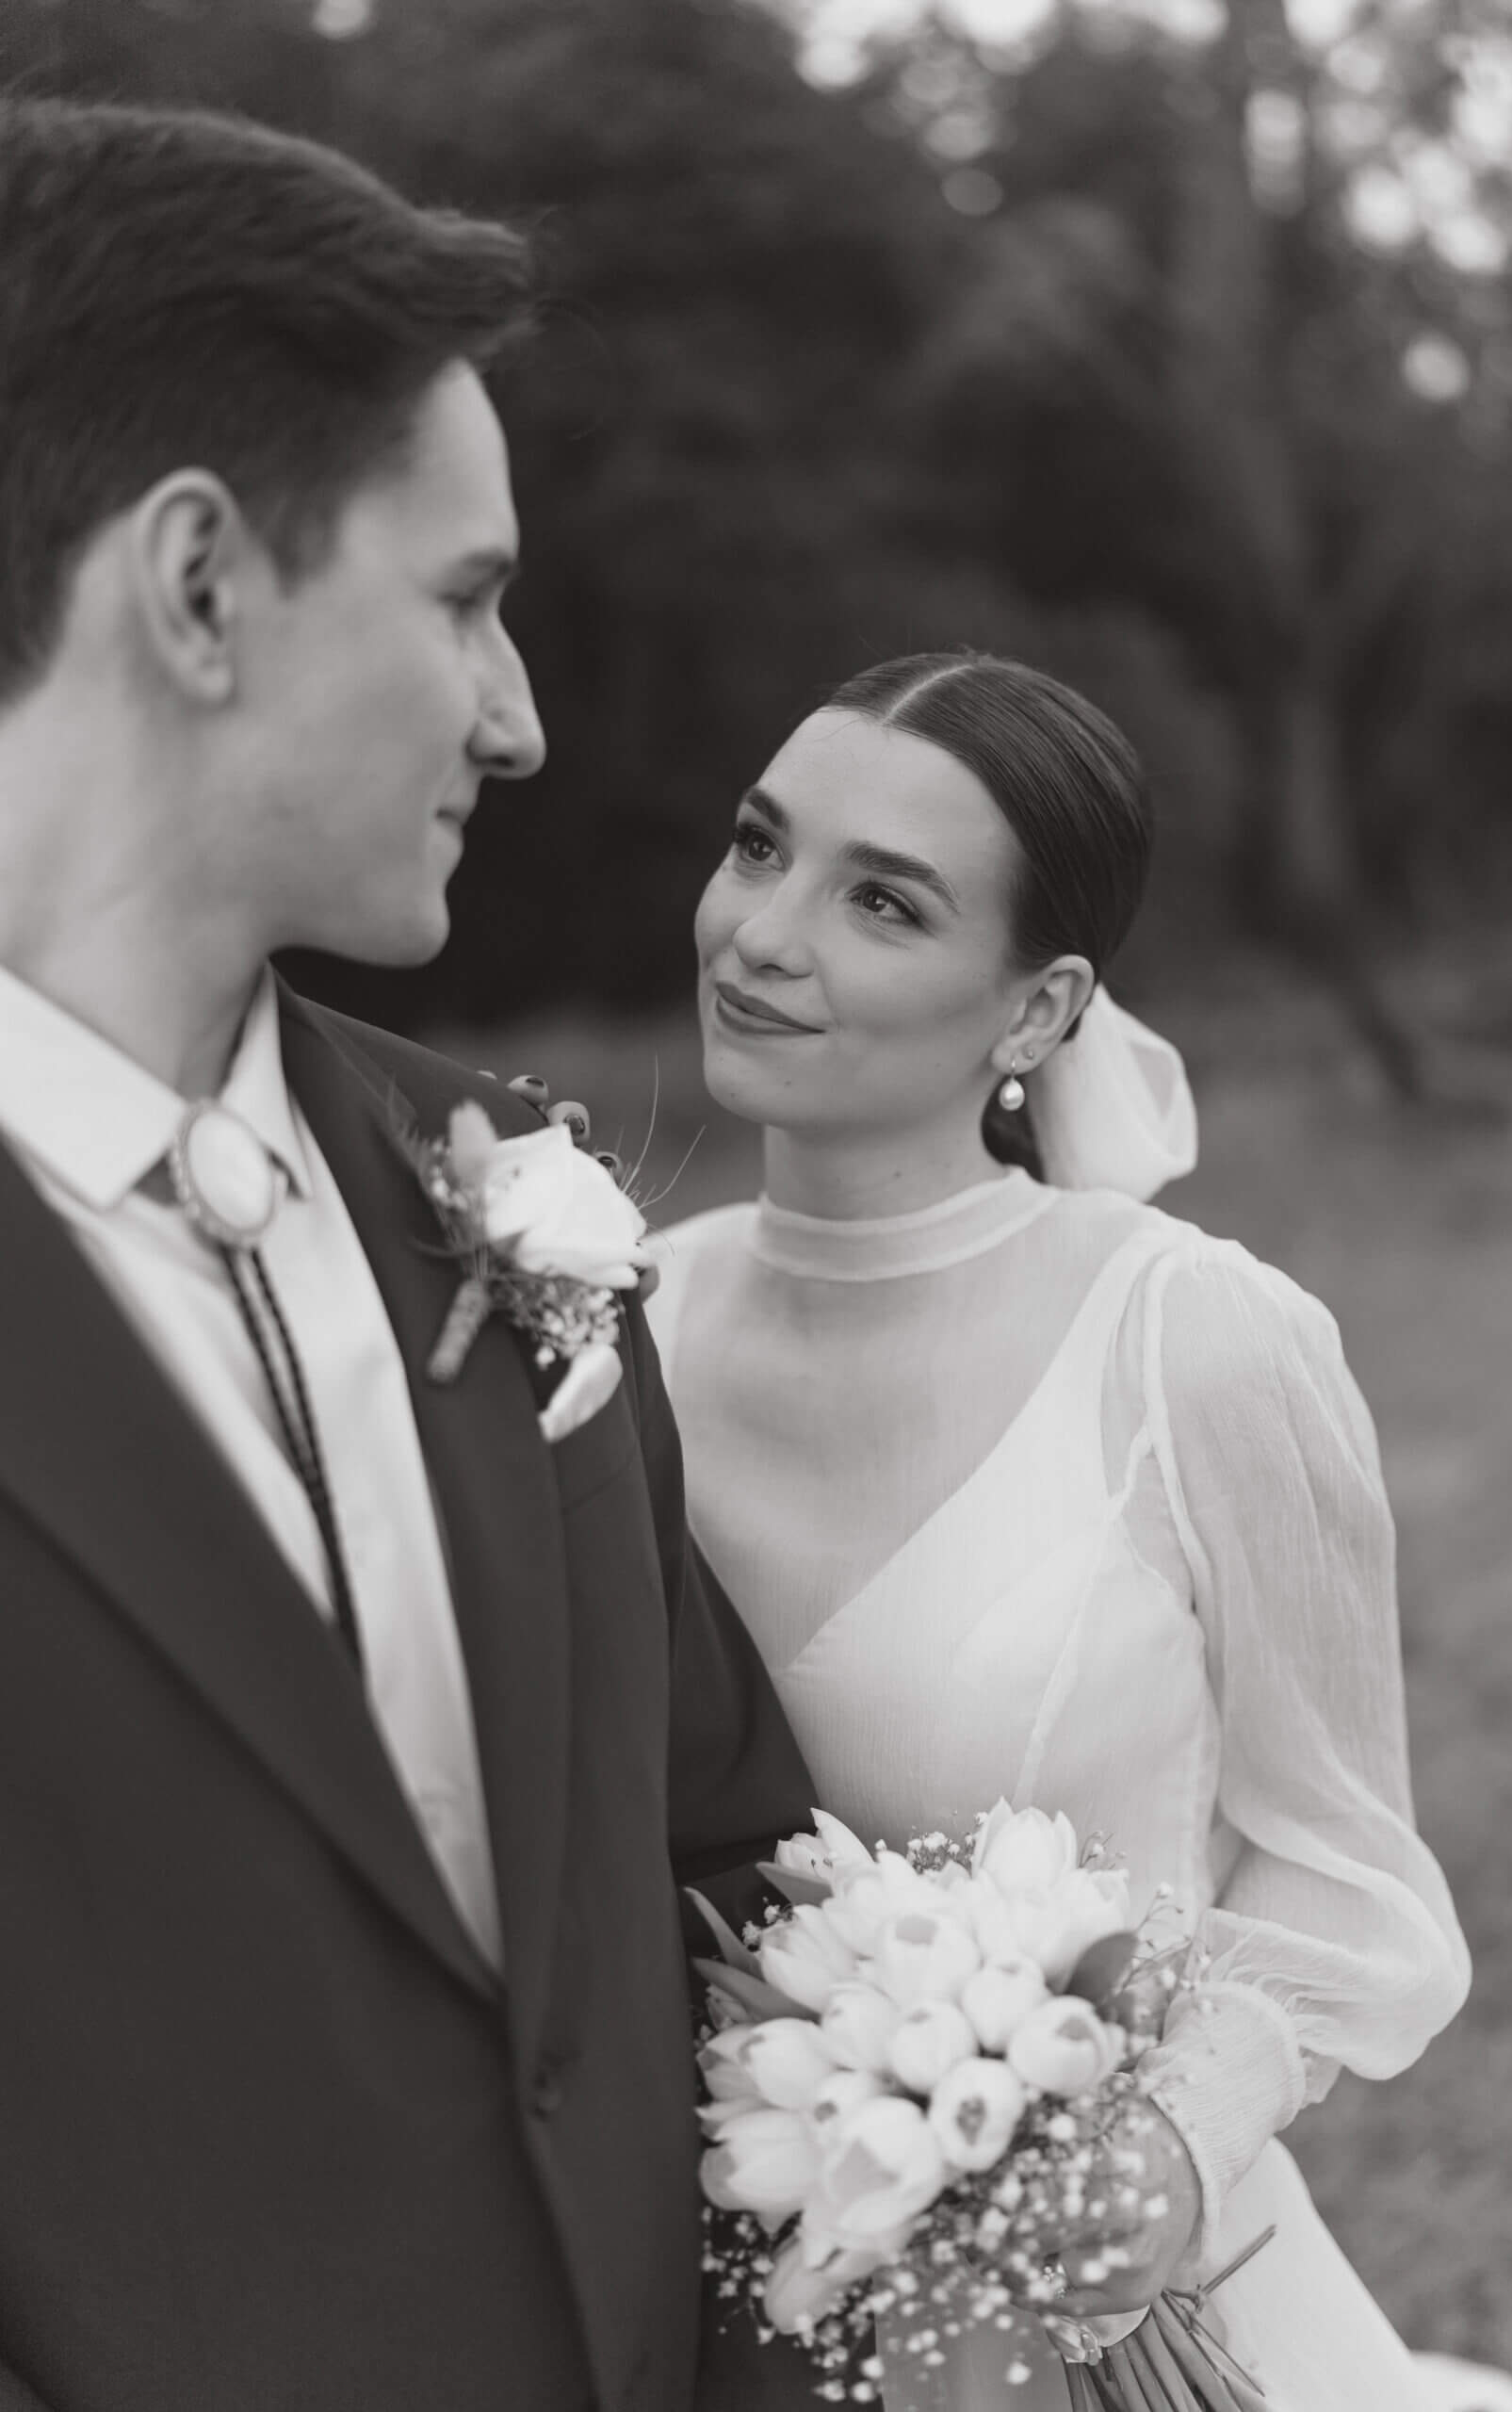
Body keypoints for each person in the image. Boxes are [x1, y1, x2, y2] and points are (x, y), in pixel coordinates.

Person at [0, 97, 815, 2412]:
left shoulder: (518, 1188)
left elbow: (724, 1867)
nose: (522, 716)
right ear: (193, 585)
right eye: (462, 598)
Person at [644, 651, 1476, 2410]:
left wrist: (1160, 2155)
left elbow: (1349, 1876)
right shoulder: (620, 1322)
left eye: (882, 902)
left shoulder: (1197, 1343)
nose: (763, 933)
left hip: (1133, 2307)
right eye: (758, 846)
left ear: (1038, 1013)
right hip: (723, 2305)